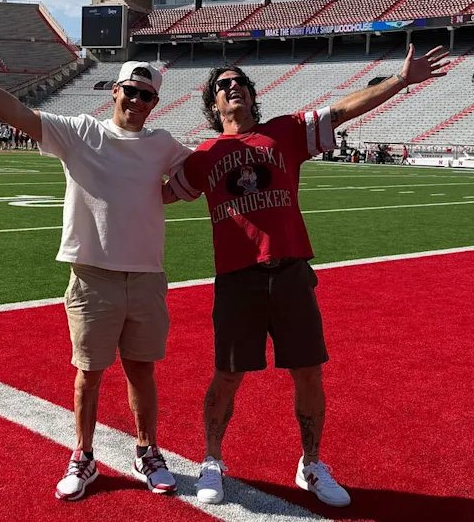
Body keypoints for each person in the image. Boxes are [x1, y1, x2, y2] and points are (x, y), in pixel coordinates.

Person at [164, 44, 449, 507]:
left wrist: (399, 81)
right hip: (238, 278)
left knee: (308, 372)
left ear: (253, 96)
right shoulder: (202, 156)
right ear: (213, 104)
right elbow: (161, 196)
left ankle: (311, 463)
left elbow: (339, 111)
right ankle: (212, 459)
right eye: (222, 85)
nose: (232, 87)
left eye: (239, 82)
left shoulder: (285, 132)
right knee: (228, 375)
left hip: (292, 271)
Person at [0, 33, 191, 502]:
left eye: (145, 95)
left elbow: (196, 175)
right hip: (92, 275)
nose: (135, 100)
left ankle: (147, 451)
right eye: (129, 91)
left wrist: (168, 192)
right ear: (114, 91)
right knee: (88, 373)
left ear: (154, 103)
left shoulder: (162, 144)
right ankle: (84, 455)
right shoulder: (81, 132)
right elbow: (20, 115)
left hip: (147, 276)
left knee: (142, 372)